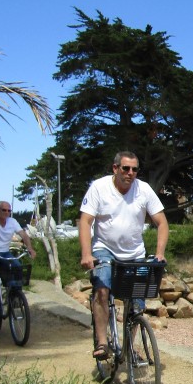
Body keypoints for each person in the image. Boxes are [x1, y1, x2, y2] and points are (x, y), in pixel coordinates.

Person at [79, 151, 169, 360]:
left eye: (134, 169)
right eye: (125, 168)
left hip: (135, 253)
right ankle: (102, 343)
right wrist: (86, 254)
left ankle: (129, 347)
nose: (130, 173)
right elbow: (85, 221)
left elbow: (162, 222)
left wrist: (159, 253)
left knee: (137, 303)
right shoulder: (99, 188)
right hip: (104, 249)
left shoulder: (143, 189)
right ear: (115, 168)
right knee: (102, 290)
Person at [0, 201, 37, 327]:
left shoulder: (12, 222)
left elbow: (24, 235)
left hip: (5, 253)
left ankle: (15, 297)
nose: (7, 213)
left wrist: (30, 248)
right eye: (4, 210)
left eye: (9, 210)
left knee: (18, 268)